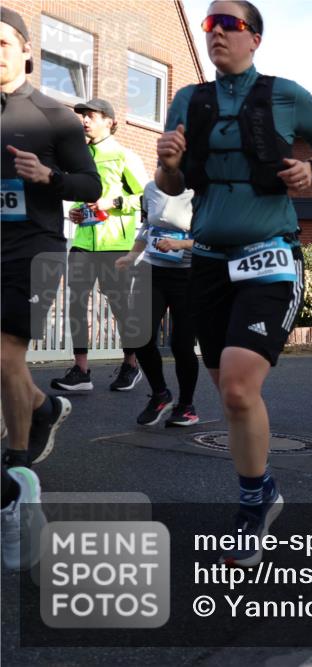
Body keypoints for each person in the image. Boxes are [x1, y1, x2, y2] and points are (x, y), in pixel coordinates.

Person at [156, 0, 312, 566]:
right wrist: (167, 161)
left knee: (239, 387)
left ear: (254, 39)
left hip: (271, 256)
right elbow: (169, 182)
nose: (214, 33)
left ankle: (249, 506)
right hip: (209, 260)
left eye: (228, 24)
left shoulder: (286, 94)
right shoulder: (189, 100)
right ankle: (262, 489)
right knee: (228, 390)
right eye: (208, 24)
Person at [1, 7, 101, 568]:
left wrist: (50, 178)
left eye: (2, 43)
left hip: (34, 246)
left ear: (25, 51)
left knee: (4, 353)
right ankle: (40, 408)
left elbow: (90, 182)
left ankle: (16, 483)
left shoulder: (54, 115)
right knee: (3, 365)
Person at [49, 98, 148, 393]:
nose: (84, 120)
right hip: (83, 241)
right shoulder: (79, 158)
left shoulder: (124, 156)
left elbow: (146, 199)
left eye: (91, 115)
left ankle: (131, 364)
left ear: (110, 121)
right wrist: (77, 211)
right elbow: (82, 196)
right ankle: (81, 371)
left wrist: (113, 202)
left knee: (119, 305)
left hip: (115, 244)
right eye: (82, 116)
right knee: (76, 303)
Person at [115, 181, 201, 426]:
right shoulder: (151, 188)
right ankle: (160, 394)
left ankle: (186, 406)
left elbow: (213, 237)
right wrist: (132, 256)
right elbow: (148, 227)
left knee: (181, 345)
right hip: (152, 270)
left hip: (188, 274)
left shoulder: (201, 190)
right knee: (137, 336)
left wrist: (181, 244)